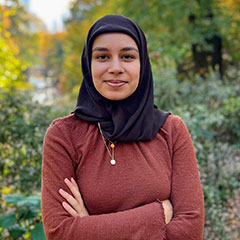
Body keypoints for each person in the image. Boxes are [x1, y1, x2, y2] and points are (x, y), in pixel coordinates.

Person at [41, 15, 204, 240]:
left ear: (142, 64)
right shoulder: (64, 135)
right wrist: (157, 215)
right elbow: (60, 233)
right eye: (102, 57)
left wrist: (88, 226)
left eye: (127, 56)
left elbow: (189, 232)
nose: (115, 67)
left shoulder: (171, 131)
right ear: (88, 63)